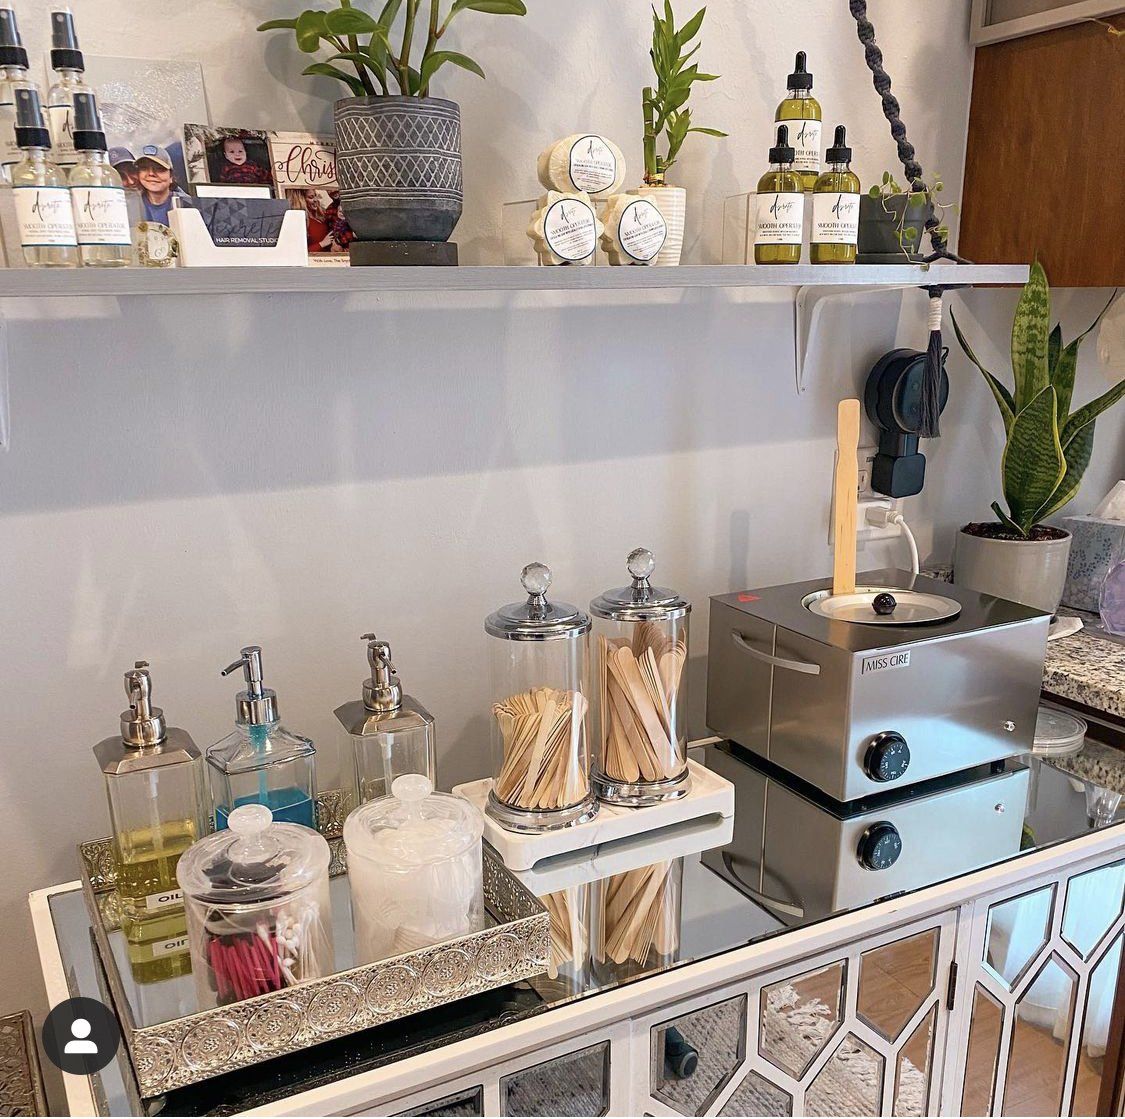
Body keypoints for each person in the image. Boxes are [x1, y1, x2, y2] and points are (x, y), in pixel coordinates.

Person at [136, 144, 193, 225]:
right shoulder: (131, 205)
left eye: (159, 169)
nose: (151, 173)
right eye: (144, 168)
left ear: (171, 177)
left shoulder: (188, 204)